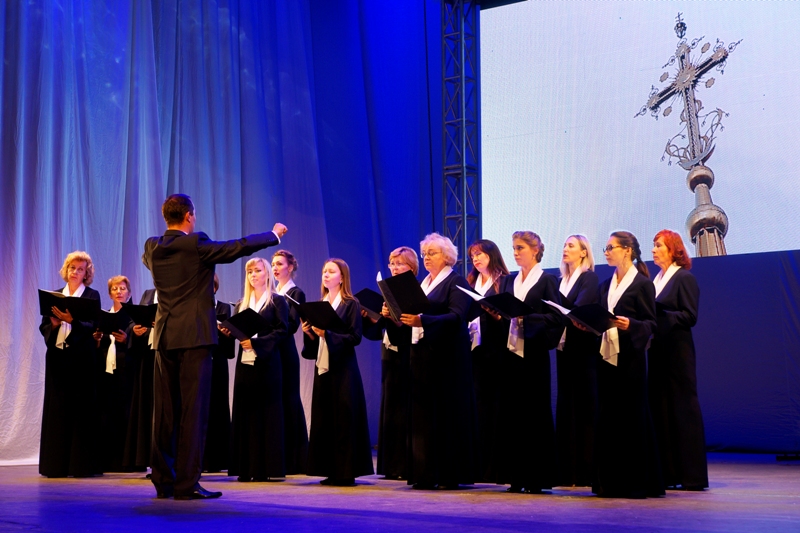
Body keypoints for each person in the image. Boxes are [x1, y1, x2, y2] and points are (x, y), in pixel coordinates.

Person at [142, 193, 287, 500]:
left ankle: (164, 481)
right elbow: (236, 247)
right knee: (193, 412)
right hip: (194, 336)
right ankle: (186, 484)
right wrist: (272, 236)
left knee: (164, 412)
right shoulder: (196, 244)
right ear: (189, 216)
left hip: (165, 336)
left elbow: (149, 261)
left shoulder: (152, 247)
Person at [593, 230, 664, 499]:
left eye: (611, 247)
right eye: (606, 248)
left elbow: (651, 323)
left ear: (628, 250)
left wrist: (631, 324)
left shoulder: (642, 284)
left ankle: (635, 483)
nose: (607, 252)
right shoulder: (604, 286)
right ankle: (609, 482)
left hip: (630, 359)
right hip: (606, 357)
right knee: (609, 418)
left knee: (631, 418)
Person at [401, 233, 474, 490]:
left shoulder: (456, 282)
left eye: (432, 253)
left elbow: (457, 317)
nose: (426, 257)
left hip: (447, 359)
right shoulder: (424, 283)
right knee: (423, 417)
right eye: (424, 253)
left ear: (447, 256)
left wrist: (423, 321)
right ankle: (424, 473)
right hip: (422, 355)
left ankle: (447, 474)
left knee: (445, 416)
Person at [495, 231, 562, 493]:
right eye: (513, 248)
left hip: (534, 355)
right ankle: (517, 476)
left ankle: (536, 478)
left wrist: (527, 319)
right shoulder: (510, 280)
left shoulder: (546, 280)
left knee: (535, 414)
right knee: (513, 414)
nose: (515, 252)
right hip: (511, 354)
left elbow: (557, 317)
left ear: (535, 250)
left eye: (520, 247)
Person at [301, 258, 373, 486]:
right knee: (325, 418)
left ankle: (346, 472)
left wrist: (327, 334)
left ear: (342, 277)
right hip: (323, 368)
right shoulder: (320, 304)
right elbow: (313, 347)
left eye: (331, 272)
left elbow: (355, 337)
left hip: (343, 369)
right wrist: (310, 334)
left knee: (344, 418)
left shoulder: (351, 303)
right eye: (324, 271)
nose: (326, 275)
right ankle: (330, 470)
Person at [648, 229, 708, 491]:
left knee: (683, 408)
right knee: (661, 408)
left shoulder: (684, 278)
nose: (653, 250)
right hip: (657, 350)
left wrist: (663, 316)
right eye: (653, 245)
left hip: (678, 351)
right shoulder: (655, 281)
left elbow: (690, 315)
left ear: (673, 250)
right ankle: (669, 473)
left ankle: (692, 475)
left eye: (659, 245)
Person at [38, 251, 102, 478]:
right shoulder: (55, 295)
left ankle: (80, 466)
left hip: (82, 359)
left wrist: (72, 321)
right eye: (72, 268)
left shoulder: (91, 295)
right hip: (58, 358)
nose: (75, 272)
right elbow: (44, 326)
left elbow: (94, 325)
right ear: (66, 270)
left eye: (80, 269)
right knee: (57, 409)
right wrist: (55, 324)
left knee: (81, 409)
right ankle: (55, 466)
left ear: (86, 273)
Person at [227, 258, 289, 481]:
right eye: (250, 271)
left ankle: (266, 469)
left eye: (257, 270)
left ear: (267, 273)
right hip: (245, 363)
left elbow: (282, 331)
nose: (253, 275)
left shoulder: (277, 301)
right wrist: (229, 332)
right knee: (246, 412)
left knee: (267, 412)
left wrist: (257, 342)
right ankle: (246, 468)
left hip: (267, 362)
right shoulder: (241, 303)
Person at [362, 246, 419, 480]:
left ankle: (404, 465)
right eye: (392, 264)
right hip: (389, 354)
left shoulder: (415, 291)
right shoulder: (389, 292)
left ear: (411, 268)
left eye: (399, 264)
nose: (394, 268)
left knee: (404, 409)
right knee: (391, 408)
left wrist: (394, 320)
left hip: (408, 355)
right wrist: (372, 317)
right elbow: (377, 332)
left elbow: (411, 329)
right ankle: (390, 465)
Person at [555, 235, 600, 487]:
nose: (565, 249)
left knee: (584, 406)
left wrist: (554, 308)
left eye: (571, 245)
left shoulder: (588, 278)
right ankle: (567, 470)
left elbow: (580, 309)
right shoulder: (561, 281)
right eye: (564, 245)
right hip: (564, 348)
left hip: (583, 349)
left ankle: (585, 469)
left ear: (583, 252)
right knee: (567, 405)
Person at [465, 239, 509, 483]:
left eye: (480, 254)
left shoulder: (504, 281)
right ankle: (478, 465)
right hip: (475, 351)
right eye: (473, 255)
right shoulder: (470, 282)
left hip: (497, 350)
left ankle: (496, 466)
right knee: (478, 406)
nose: (476, 259)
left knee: (496, 406)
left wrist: (497, 317)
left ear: (492, 255)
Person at [272, 250, 309, 474]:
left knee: (289, 401)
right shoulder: (270, 292)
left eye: (279, 264)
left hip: (285, 353)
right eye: (273, 264)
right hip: (271, 352)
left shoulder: (295, 293)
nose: (275, 268)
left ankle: (294, 459)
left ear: (290, 267)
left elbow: (292, 325)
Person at [94, 276, 135, 472]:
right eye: (115, 289)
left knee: (124, 412)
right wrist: (97, 338)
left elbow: (139, 346)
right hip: (105, 370)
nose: (119, 292)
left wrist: (127, 339)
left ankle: (126, 461)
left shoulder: (133, 317)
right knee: (106, 412)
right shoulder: (103, 315)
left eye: (122, 288)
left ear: (129, 293)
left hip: (125, 369)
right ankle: (107, 460)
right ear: (110, 294)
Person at [202, 274, 236, 473]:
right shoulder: (195, 308)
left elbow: (229, 344)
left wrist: (225, 333)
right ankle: (200, 459)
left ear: (215, 288)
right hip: (200, 361)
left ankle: (218, 460)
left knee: (218, 407)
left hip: (218, 361)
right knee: (200, 409)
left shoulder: (223, 308)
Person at [124, 287, 157, 472]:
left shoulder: (178, 290)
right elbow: (133, 322)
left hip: (167, 353)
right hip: (148, 355)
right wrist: (135, 329)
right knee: (146, 406)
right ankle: (148, 458)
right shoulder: (148, 294)